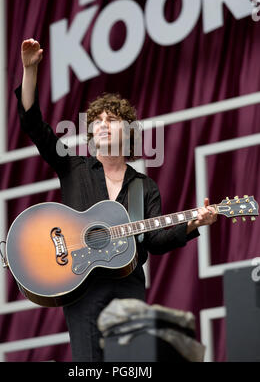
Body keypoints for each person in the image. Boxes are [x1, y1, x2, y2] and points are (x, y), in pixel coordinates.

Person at [15, 38, 217, 362]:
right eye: (98, 122)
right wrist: (30, 71)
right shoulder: (74, 166)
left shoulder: (144, 186)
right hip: (82, 287)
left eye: (112, 121)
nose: (104, 126)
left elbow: (154, 239)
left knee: (132, 365)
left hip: (128, 289)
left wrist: (191, 225)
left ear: (128, 132)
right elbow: (34, 126)